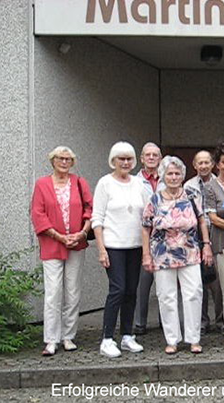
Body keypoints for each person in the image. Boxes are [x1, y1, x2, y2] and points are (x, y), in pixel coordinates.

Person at [142, 156, 213, 355]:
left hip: (190, 252)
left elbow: (202, 221)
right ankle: (172, 340)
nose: (173, 177)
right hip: (162, 254)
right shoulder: (154, 199)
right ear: (163, 176)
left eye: (177, 173)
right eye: (169, 174)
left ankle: (194, 339)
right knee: (166, 296)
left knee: (194, 293)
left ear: (182, 175)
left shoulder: (191, 195)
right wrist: (146, 255)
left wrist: (206, 245)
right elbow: (145, 227)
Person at [92, 141, 152, 358]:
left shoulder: (139, 184)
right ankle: (107, 339)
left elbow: (148, 214)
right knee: (117, 289)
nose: (125, 162)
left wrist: (147, 249)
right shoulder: (105, 183)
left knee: (130, 291)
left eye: (129, 159)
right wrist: (101, 249)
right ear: (113, 160)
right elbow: (97, 218)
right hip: (113, 246)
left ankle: (127, 335)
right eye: (121, 159)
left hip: (135, 246)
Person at [31, 146, 92, 356]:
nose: (64, 162)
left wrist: (82, 233)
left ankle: (68, 336)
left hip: (76, 244)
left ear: (72, 162)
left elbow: (90, 209)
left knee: (73, 291)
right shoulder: (42, 184)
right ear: (52, 161)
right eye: (60, 158)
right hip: (52, 244)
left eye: (68, 159)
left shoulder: (79, 182)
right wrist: (58, 236)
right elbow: (37, 213)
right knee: (53, 292)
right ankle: (51, 339)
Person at [184, 150, 223, 334]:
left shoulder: (219, 183)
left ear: (213, 164)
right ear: (194, 165)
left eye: (207, 162)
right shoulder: (188, 186)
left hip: (217, 232)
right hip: (196, 236)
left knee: (218, 280)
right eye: (200, 162)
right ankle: (202, 321)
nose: (204, 166)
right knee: (198, 280)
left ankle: (222, 320)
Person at [134, 142, 163, 335]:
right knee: (142, 283)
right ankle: (139, 323)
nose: (151, 158)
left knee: (165, 283)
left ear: (160, 158)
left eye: (155, 155)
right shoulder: (134, 181)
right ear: (142, 158)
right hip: (142, 237)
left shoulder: (168, 178)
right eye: (148, 155)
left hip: (164, 239)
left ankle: (165, 322)